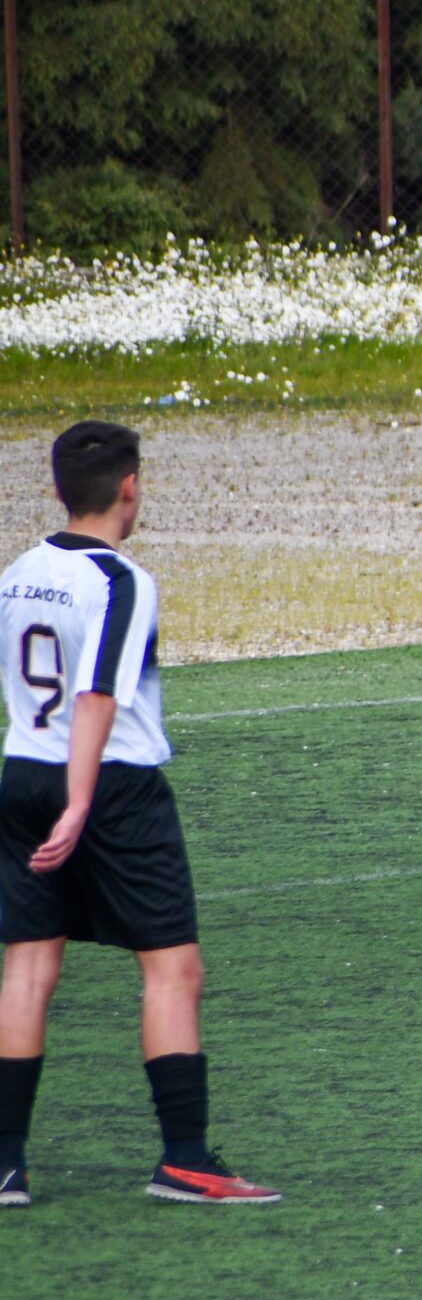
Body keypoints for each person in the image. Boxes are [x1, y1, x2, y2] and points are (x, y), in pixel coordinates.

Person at [0, 422, 279, 1208]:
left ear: (59, 488)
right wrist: (81, 799)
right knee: (171, 968)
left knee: (27, 968)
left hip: (22, 772)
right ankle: (184, 1159)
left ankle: (6, 1163)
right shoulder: (123, 580)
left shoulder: (18, 572)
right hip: (110, 785)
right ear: (130, 486)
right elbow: (97, 693)